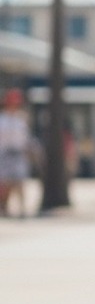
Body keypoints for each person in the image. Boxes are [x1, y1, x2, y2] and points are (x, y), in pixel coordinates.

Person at [0, 89, 33, 218]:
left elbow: (25, 139)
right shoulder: (2, 120)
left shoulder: (21, 120)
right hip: (4, 154)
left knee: (20, 182)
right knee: (5, 183)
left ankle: (22, 208)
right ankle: (4, 206)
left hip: (18, 154)